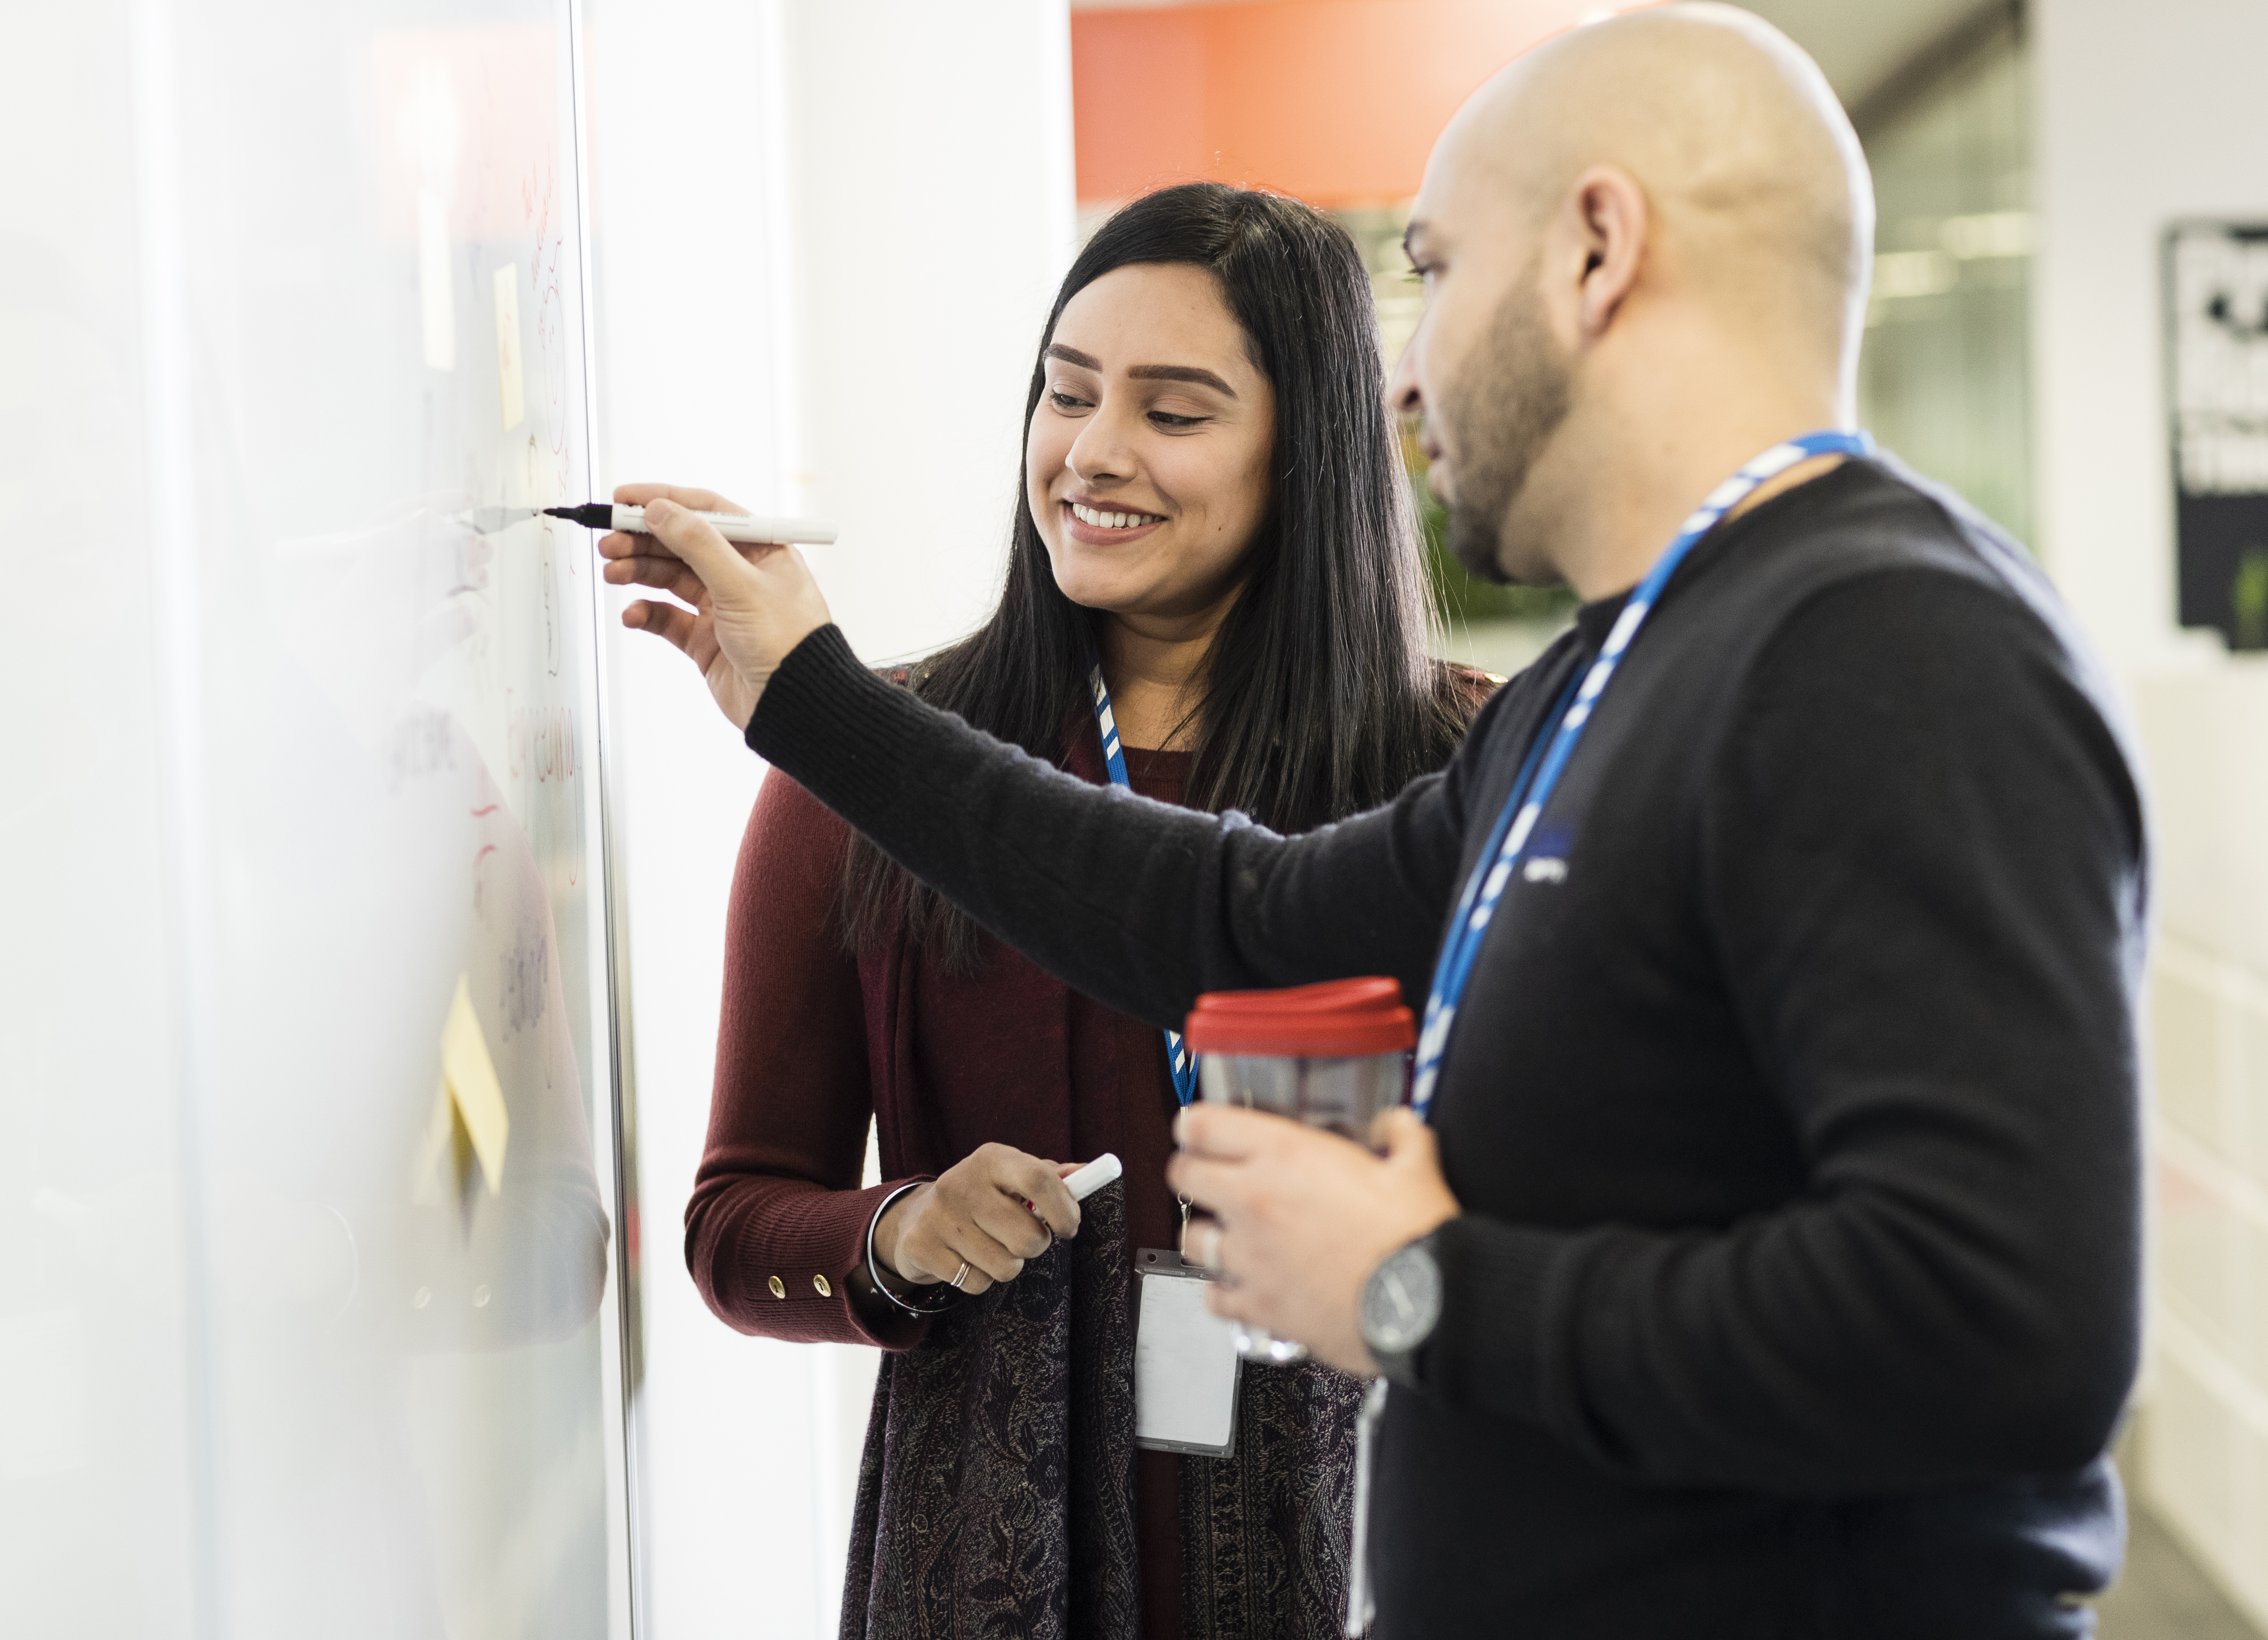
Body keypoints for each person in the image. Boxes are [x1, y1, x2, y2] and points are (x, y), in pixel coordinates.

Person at [608, 7, 2147, 1635]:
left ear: (1596, 251)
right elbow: (1239, 923)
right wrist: (814, 700)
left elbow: (2005, 1337)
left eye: (1440, 270)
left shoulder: (1892, 652)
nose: (1406, 372)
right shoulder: (1607, 682)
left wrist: (1417, 1286)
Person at [659, 183, 1492, 1640]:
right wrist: (901, 1233)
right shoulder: (877, 761)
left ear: (1311, 456)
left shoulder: (1456, 774)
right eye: (1066, 392)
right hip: (987, 1562)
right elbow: (737, 1224)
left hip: (1379, 1539)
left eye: (1174, 412)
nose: (1093, 455)